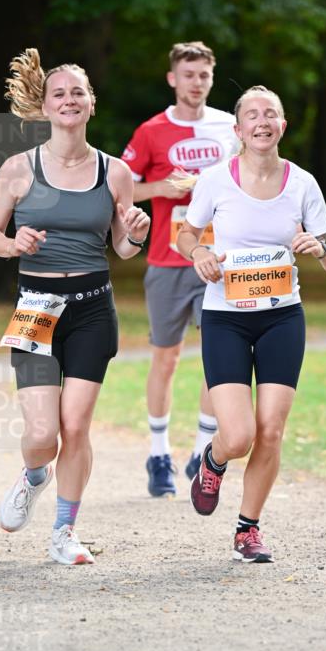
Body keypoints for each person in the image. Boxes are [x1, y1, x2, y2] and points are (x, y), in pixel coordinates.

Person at [0, 48, 150, 565]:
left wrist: (137, 237)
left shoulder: (115, 172)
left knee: (75, 428)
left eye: (78, 92)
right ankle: (34, 475)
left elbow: (120, 248)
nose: (69, 100)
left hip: (94, 309)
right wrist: (13, 244)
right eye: (60, 93)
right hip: (36, 308)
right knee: (41, 435)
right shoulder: (18, 168)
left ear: (90, 104)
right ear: (47, 106)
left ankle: (64, 531)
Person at [176, 85, 326, 563]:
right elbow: (187, 234)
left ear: (282, 125)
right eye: (252, 115)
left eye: (271, 113)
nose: (262, 121)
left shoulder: (303, 183)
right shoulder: (215, 180)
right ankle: (214, 459)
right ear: (239, 129)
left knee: (270, 430)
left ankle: (247, 529)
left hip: (282, 318)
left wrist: (322, 249)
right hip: (226, 318)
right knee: (239, 435)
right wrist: (201, 252)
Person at [121, 41, 238, 497]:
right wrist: (161, 186)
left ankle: (202, 449)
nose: (196, 83)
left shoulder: (230, 126)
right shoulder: (152, 130)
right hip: (168, 261)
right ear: (173, 79)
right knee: (166, 357)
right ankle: (158, 453)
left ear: (212, 77)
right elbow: (124, 191)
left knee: (218, 357)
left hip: (220, 259)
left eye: (204, 75)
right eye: (188, 75)